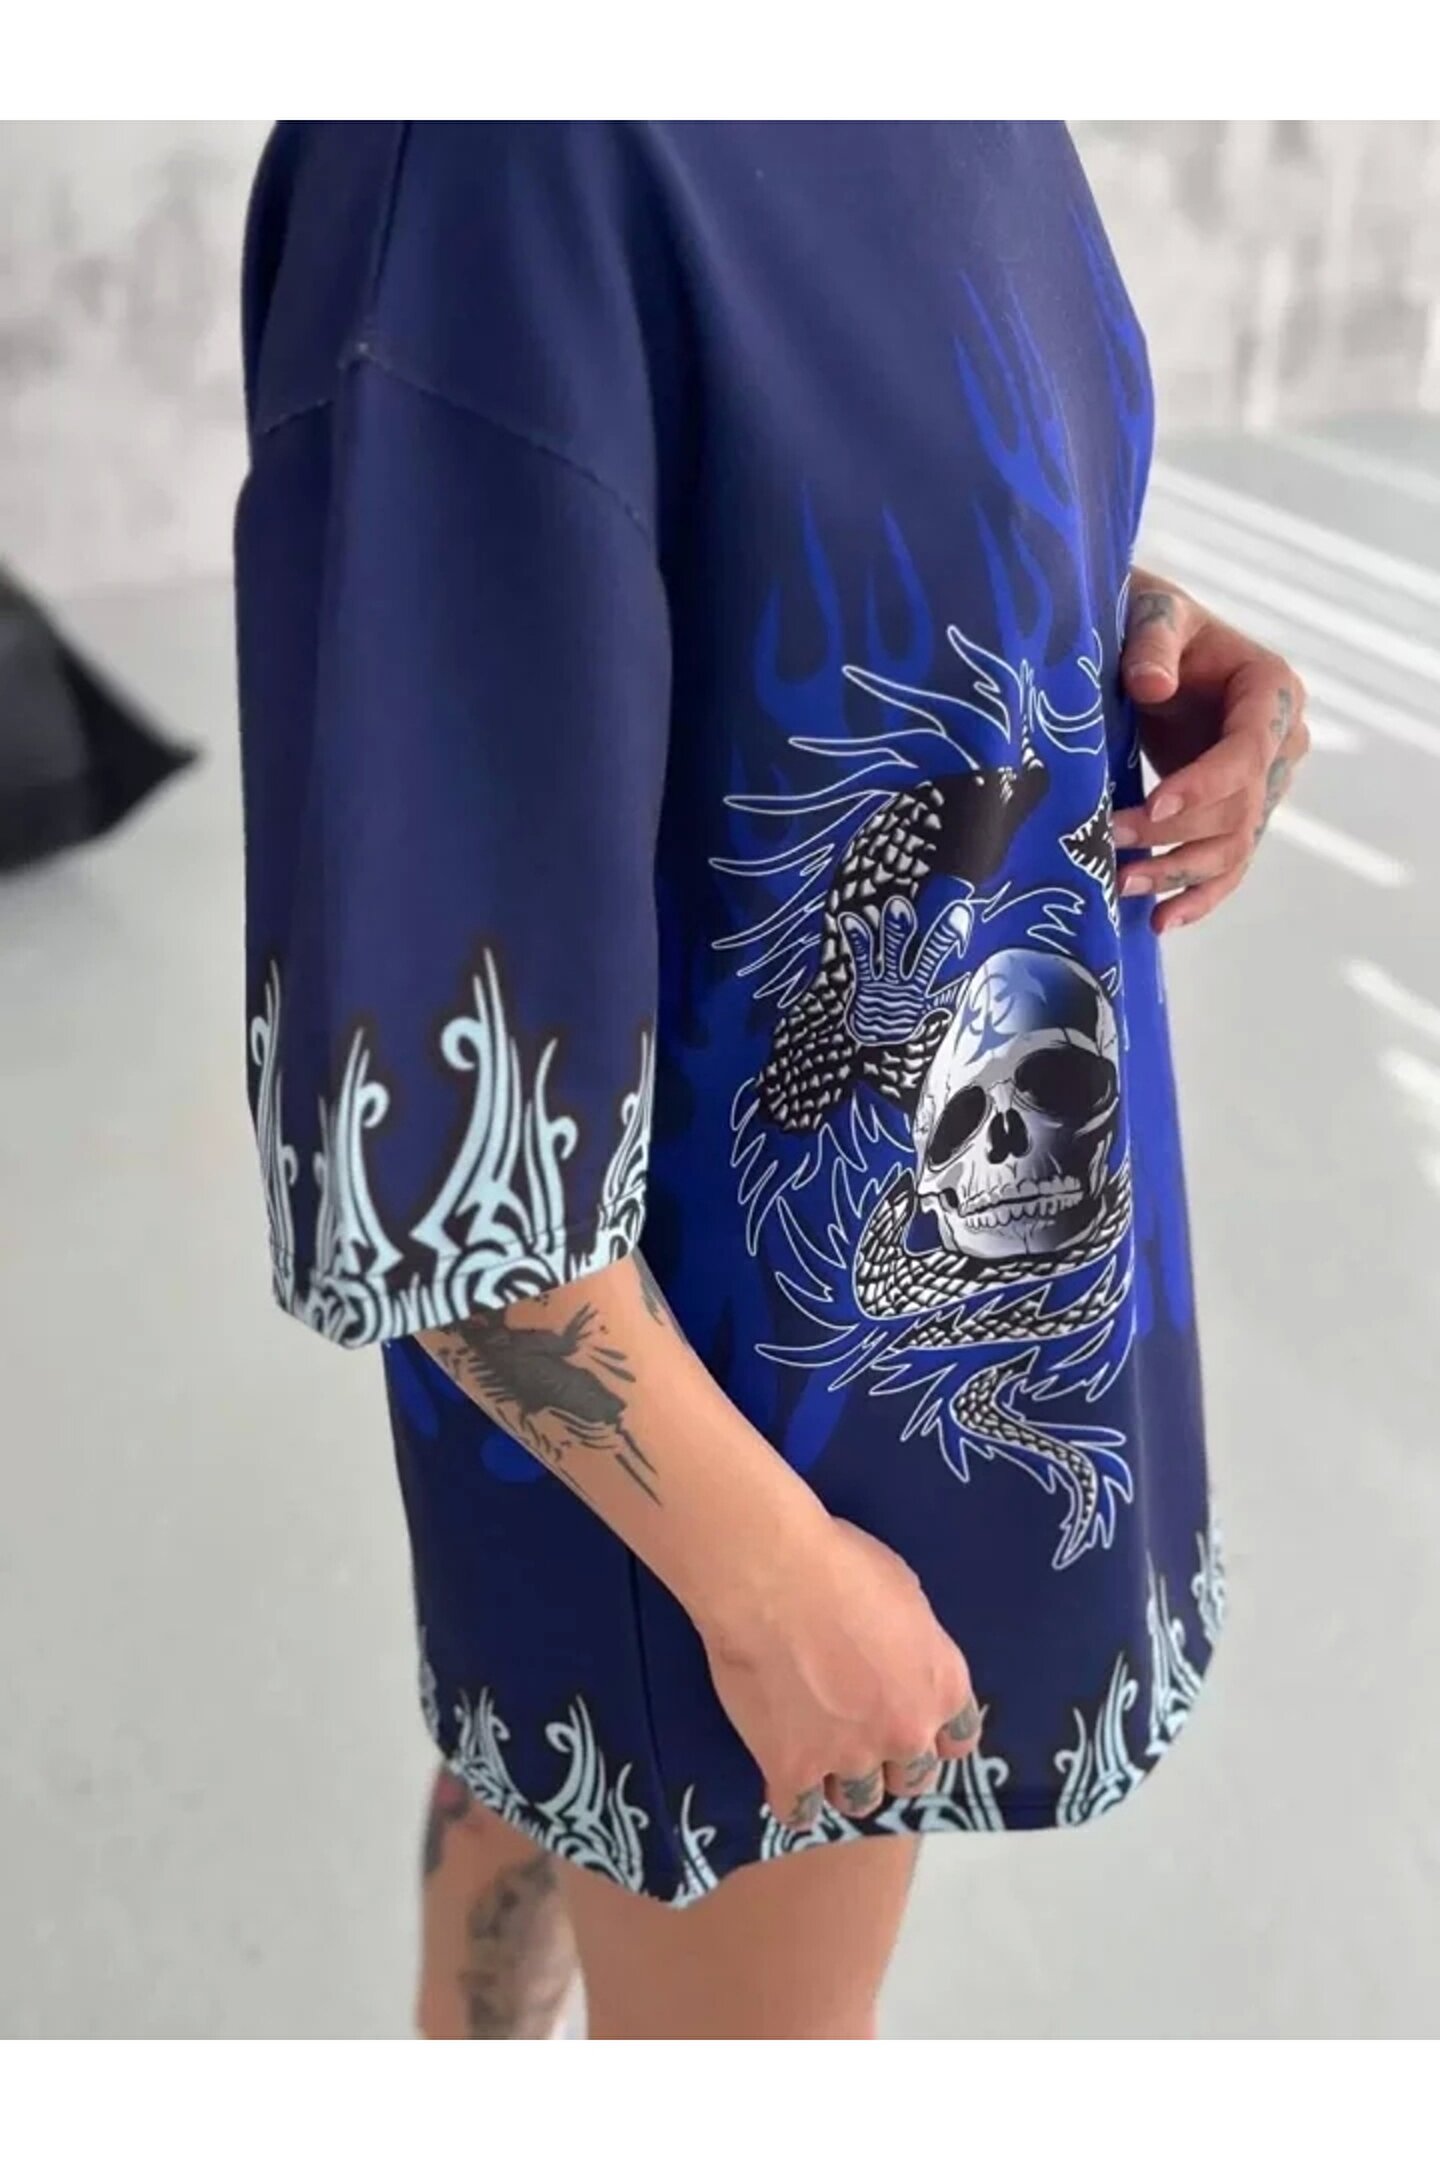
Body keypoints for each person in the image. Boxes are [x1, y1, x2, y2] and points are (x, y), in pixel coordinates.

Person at [233, 121, 1309, 2042]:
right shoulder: (498, 156)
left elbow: (770, 475)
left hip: (929, 1314)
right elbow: (420, 1090)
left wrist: (1121, 616)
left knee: (536, 1780)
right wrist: (757, 1574)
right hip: (733, 1420)